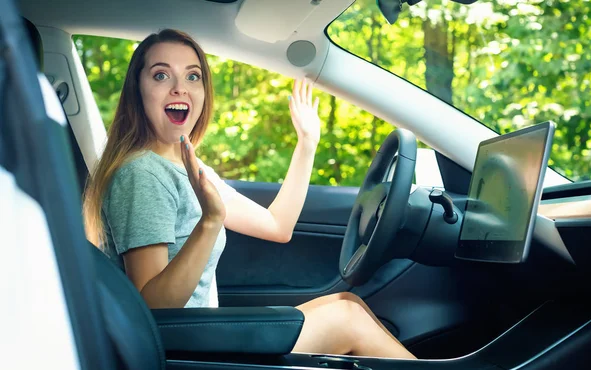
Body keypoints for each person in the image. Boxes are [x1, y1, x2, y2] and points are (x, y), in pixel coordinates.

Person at [82, 28, 416, 360]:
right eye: (160, 75)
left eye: (193, 76)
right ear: (137, 92)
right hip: (181, 349)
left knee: (348, 304)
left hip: (197, 337)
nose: (179, 87)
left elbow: (277, 225)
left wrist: (307, 144)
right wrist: (210, 222)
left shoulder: (189, 168)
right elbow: (153, 310)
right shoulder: (142, 174)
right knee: (349, 320)